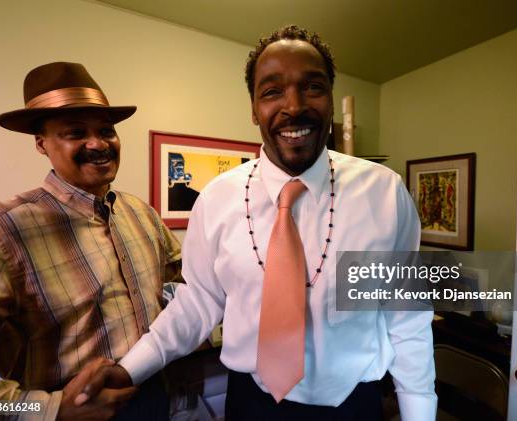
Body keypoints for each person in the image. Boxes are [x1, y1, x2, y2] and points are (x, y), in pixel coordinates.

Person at [80, 25, 437, 420]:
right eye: (272, 91)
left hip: (354, 404)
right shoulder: (216, 199)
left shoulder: (384, 194)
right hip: (251, 403)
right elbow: (197, 303)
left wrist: (419, 412)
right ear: (253, 108)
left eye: (313, 87)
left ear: (331, 101)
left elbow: (405, 315)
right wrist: (130, 367)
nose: (295, 105)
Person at [0, 62, 182, 420]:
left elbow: (187, 285)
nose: (98, 144)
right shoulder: (1, 229)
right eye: (75, 132)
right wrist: (45, 410)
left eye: (107, 130)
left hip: (154, 397)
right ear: (41, 144)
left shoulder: (141, 213)